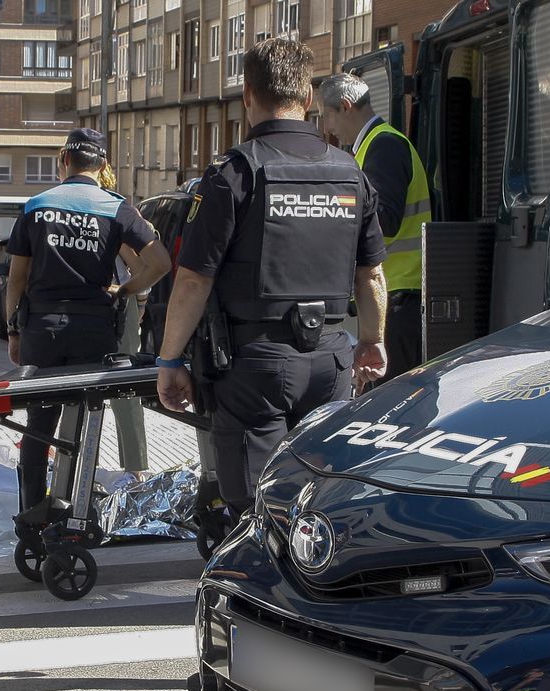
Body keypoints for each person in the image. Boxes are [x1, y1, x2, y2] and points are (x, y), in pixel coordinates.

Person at [157, 38, 389, 514]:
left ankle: (263, 584)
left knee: (257, 504)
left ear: (247, 95)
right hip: (331, 361)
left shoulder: (234, 174)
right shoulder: (349, 172)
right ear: (307, 98)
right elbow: (372, 276)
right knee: (320, 497)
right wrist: (372, 340)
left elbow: (193, 281)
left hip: (254, 367)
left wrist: (169, 360)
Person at [4, 127, 170, 511]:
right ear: (103, 165)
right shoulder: (117, 207)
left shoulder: (36, 206)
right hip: (93, 331)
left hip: (42, 330)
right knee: (85, 421)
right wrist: (124, 290)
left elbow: (17, 279)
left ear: (64, 160)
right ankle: (76, 508)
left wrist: (13, 330)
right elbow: (160, 263)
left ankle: (32, 513)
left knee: (38, 427)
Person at [319, 72, 432, 382]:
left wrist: (335, 210)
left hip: (397, 297)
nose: (326, 129)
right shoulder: (373, 145)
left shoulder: (384, 145)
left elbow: (385, 221)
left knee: (393, 406)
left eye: (325, 116)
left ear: (344, 106)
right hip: (393, 296)